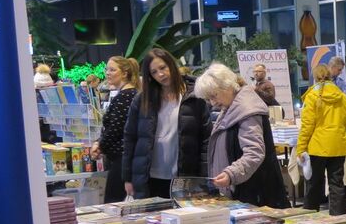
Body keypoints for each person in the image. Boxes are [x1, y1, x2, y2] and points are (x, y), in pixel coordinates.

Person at [194, 63, 289, 207]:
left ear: (227, 86)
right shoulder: (231, 107)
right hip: (242, 191)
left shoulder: (246, 110)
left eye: (214, 96)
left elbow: (254, 152)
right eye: (209, 99)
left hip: (254, 194)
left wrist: (231, 174)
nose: (213, 103)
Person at [122, 48, 210, 199]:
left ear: (171, 65)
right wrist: (127, 178)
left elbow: (206, 140)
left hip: (185, 177)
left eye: (162, 68)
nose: (160, 74)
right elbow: (130, 138)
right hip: (149, 177)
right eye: (154, 72)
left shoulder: (195, 97)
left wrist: (204, 176)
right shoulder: (142, 99)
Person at [297, 63, 346, 214]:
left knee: (314, 184)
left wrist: (301, 148)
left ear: (315, 77)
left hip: (318, 146)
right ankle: (338, 219)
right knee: (337, 184)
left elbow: (307, 126)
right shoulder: (341, 96)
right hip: (338, 145)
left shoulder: (312, 96)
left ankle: (309, 218)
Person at [91, 56, 139, 203]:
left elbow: (115, 129)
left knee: (113, 203)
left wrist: (99, 145)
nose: (107, 73)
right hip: (123, 157)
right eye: (107, 69)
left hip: (122, 159)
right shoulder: (130, 94)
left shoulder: (125, 96)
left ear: (124, 73)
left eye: (112, 70)